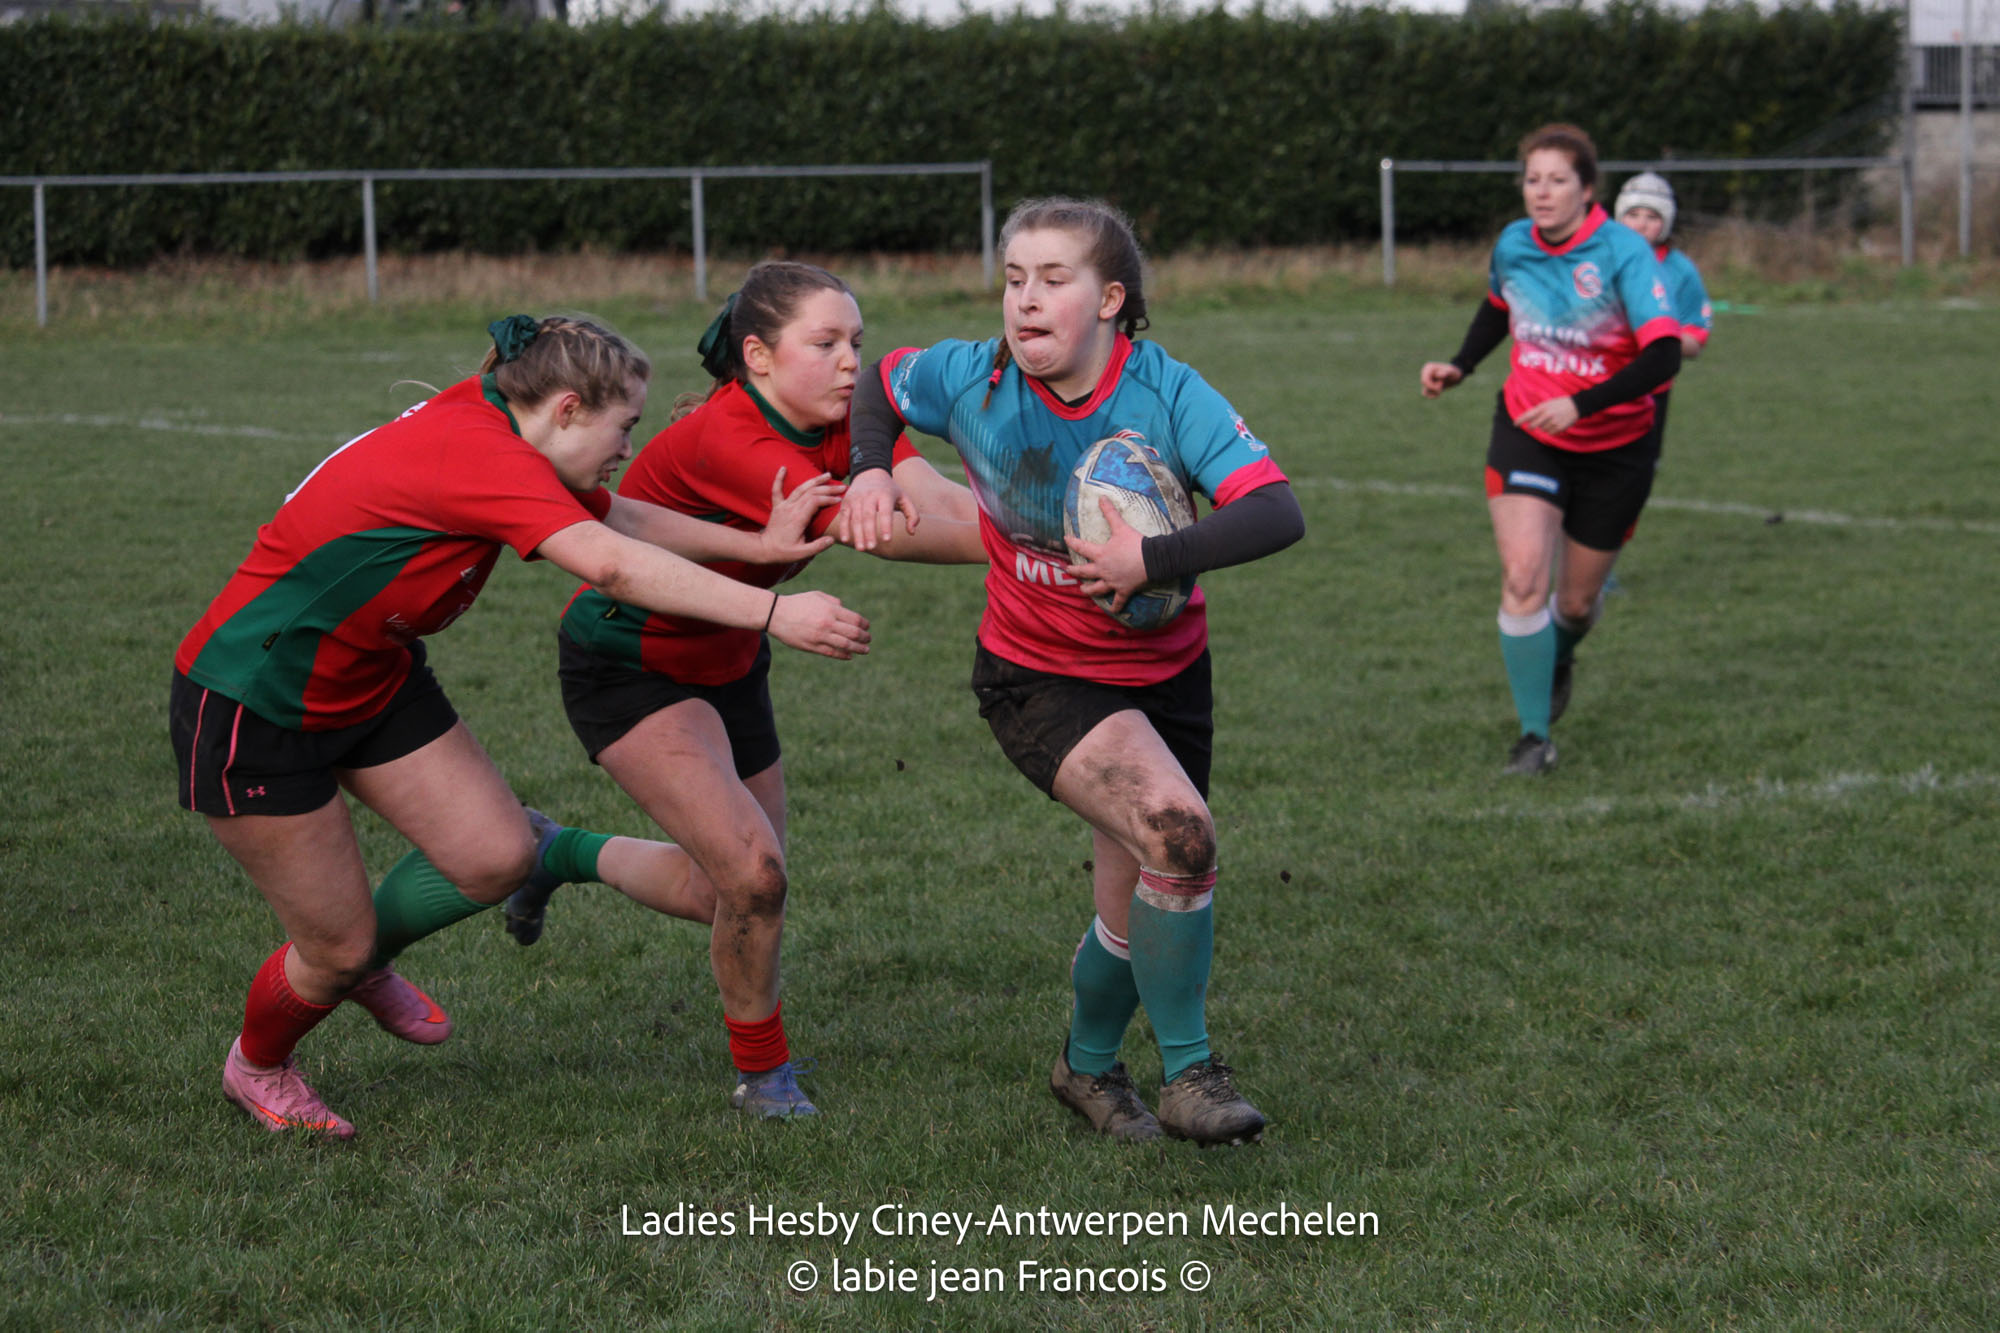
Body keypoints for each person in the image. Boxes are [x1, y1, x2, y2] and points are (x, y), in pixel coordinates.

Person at [171, 313, 871, 1139]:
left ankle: (355, 963)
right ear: (568, 408)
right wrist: (775, 610)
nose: (628, 447)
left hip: (372, 676)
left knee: (498, 855)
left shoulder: (504, 422)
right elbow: (610, 563)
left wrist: (756, 545)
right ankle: (258, 1063)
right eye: (624, 427)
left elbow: (619, 517)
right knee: (335, 947)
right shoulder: (481, 452)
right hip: (255, 699)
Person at [840, 197, 1305, 1146]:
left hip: (1167, 675)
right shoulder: (974, 376)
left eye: (1054, 280)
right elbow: (883, 383)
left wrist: (1151, 560)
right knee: (1180, 833)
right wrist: (870, 467)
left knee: (1143, 891)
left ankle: (1086, 1067)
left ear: (1109, 300)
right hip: (1037, 674)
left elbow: (1274, 512)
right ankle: (1191, 1076)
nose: (1024, 299)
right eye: (1014, 278)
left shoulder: (1167, 391)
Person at [505, 262, 982, 1119]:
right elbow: (877, 531)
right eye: (826, 343)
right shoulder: (731, 438)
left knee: (727, 889)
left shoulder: (848, 416)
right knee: (755, 877)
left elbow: (931, 496)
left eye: (857, 341)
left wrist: (1038, 519)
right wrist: (1045, 543)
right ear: (758, 356)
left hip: (732, 660)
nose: (851, 361)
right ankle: (763, 1074)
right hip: (631, 664)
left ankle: (556, 852)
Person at [1419, 125, 1682, 775]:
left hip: (1616, 447)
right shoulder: (1514, 244)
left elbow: (1664, 355)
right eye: (1532, 179)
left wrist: (1582, 404)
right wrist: (1460, 365)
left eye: (1557, 180)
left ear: (1587, 189)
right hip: (1528, 431)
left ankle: (1557, 654)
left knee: (1575, 605)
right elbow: (1497, 309)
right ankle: (1534, 737)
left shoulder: (1623, 252)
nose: (1541, 191)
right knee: (1523, 578)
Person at [1612, 171, 1713, 451]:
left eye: (1652, 217)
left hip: (1650, 391)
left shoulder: (1681, 271)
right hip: (1592, 382)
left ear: (1666, 223)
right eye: (1633, 214)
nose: (1641, 225)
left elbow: (1695, 341)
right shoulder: (1596, 261)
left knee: (1638, 468)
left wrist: (1656, 336)